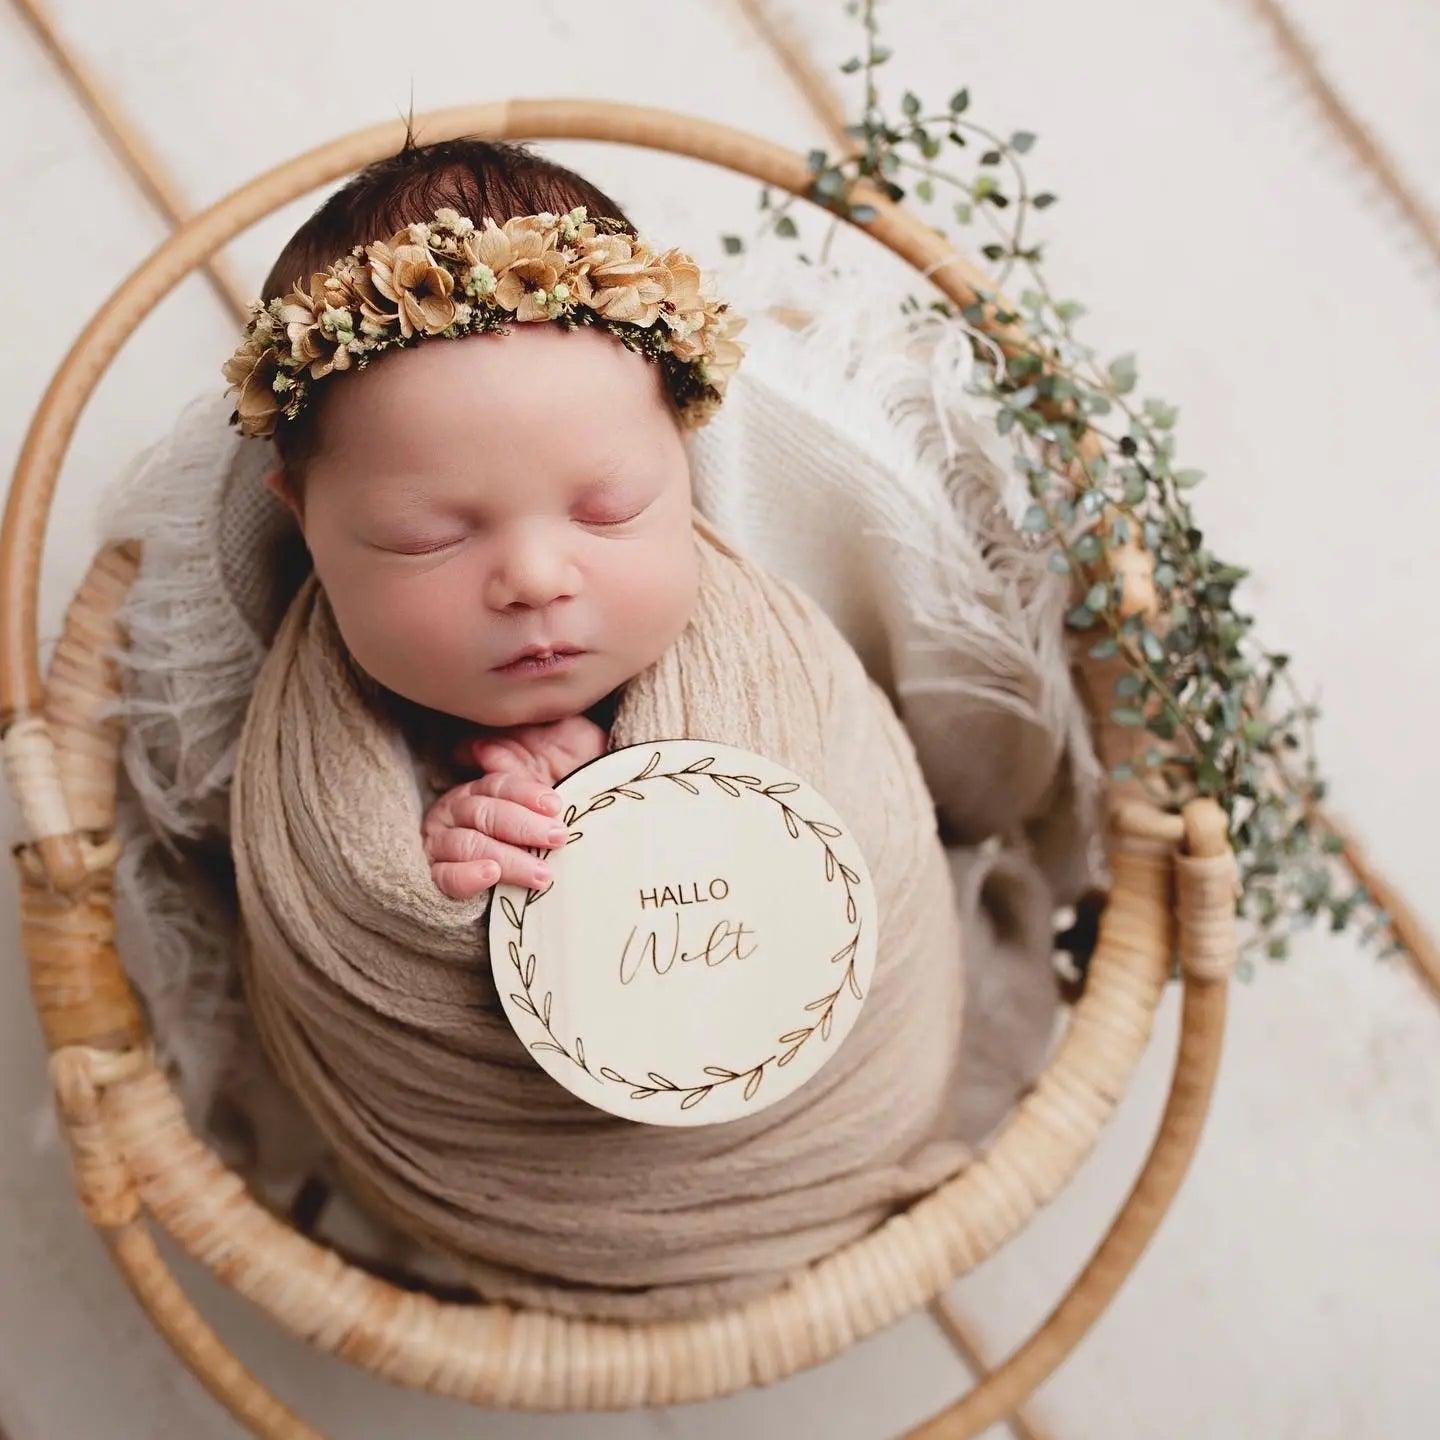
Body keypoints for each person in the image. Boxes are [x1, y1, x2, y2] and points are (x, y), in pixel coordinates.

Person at [234, 134, 744, 901]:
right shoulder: (310, 756)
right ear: (304, 522)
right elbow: (332, 912)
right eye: (426, 537)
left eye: (611, 511)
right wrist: (437, 869)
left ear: (685, 460)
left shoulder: (762, 651)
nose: (535, 581)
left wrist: (641, 780)